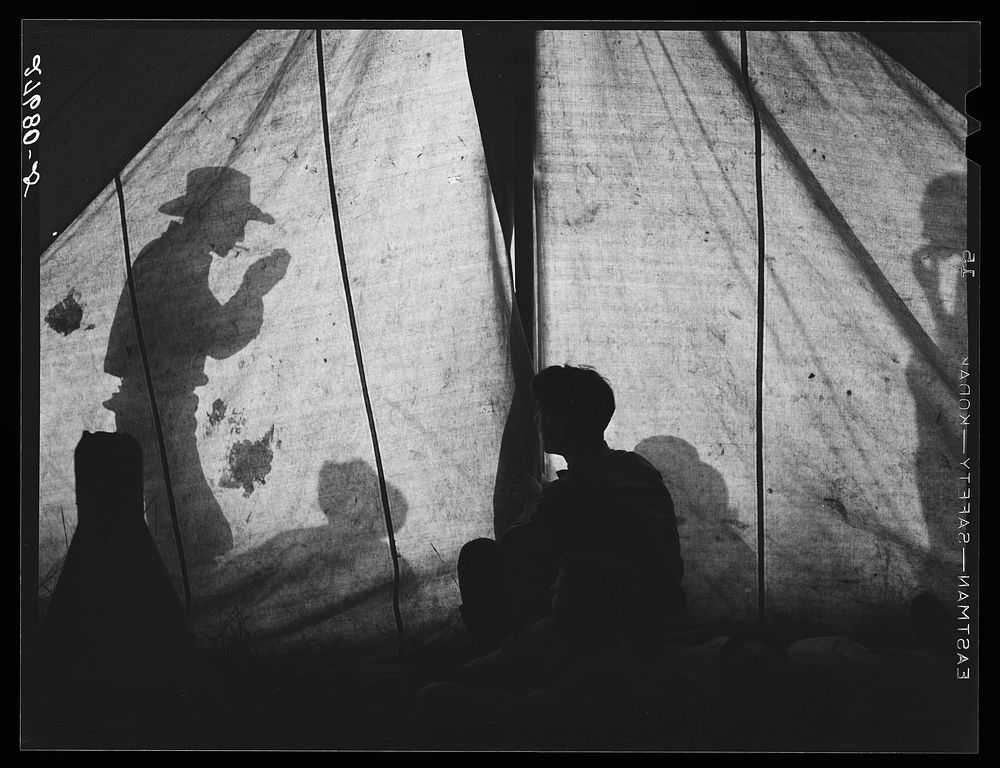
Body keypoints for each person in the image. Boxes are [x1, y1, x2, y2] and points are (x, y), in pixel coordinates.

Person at [103, 167, 289, 563]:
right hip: (159, 413)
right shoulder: (179, 259)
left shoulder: (170, 253)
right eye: (236, 220)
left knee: (180, 530)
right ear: (212, 213)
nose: (240, 234)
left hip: (152, 409)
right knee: (196, 538)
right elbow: (217, 338)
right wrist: (253, 290)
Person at [459, 364, 685, 656]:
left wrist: (531, 503)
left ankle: (493, 656)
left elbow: (511, 555)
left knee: (479, 555)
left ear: (561, 422)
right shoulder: (637, 467)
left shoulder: (569, 493)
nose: (535, 419)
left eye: (542, 410)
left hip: (618, 627)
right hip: (664, 612)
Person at [408, 551, 642, 749]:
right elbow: (500, 660)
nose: (551, 592)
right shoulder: (551, 630)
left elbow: (531, 713)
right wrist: (445, 680)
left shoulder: (606, 668)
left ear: (585, 606)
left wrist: (444, 694)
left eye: (559, 592)